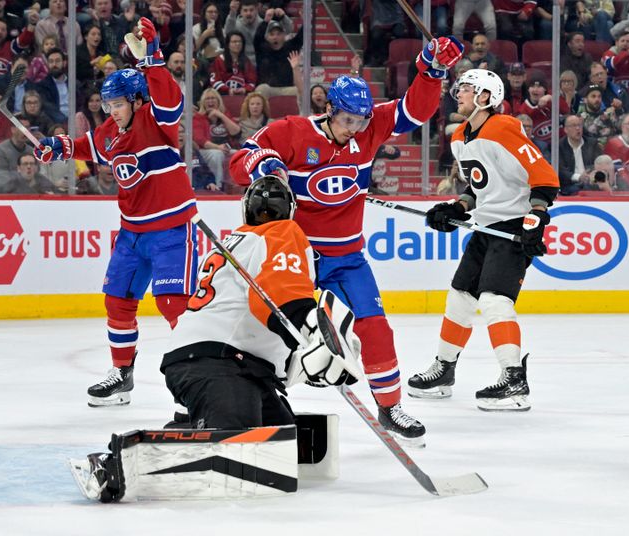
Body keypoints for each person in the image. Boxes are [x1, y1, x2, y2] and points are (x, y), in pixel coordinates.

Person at [229, 36, 466, 439]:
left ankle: (390, 407)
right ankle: (248, 403)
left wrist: (431, 69)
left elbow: (415, 110)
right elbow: (241, 159)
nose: (354, 129)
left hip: (347, 259)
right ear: (328, 110)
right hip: (295, 257)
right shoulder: (293, 132)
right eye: (347, 121)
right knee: (266, 335)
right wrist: (268, 166)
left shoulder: (369, 128)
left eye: (360, 120)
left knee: (375, 327)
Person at [33, 18, 198, 408]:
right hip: (131, 234)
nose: (112, 111)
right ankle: (122, 376)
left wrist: (154, 56)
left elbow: (172, 100)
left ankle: (201, 375)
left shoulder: (155, 121)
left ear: (137, 100)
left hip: (172, 228)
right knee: (117, 302)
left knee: (174, 303)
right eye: (108, 105)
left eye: (118, 104)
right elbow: (89, 145)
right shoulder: (111, 129)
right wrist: (59, 148)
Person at [407, 69, 560, 412]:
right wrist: (457, 207)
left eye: (466, 89)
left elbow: (545, 178)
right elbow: (478, 187)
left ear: (486, 97)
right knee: (460, 296)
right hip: (485, 227)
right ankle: (444, 370)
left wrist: (536, 216)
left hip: (512, 228)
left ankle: (513, 380)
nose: (457, 94)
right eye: (459, 88)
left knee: (494, 300)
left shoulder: (503, 127)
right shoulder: (459, 136)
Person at [162, 174, 360, 431]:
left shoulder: (233, 244)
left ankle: (191, 424)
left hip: (230, 364)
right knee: (241, 451)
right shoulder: (282, 231)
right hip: (221, 361)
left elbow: (251, 311)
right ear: (290, 211)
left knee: (283, 443)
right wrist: (311, 331)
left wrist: (305, 362)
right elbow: (278, 295)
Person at [558, 114, 604, 195]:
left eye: (579, 125)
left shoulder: (592, 144)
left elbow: (599, 163)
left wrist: (590, 175)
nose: (578, 128)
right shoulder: (559, 146)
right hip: (569, 185)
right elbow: (560, 170)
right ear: (565, 129)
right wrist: (579, 177)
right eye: (573, 126)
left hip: (591, 182)